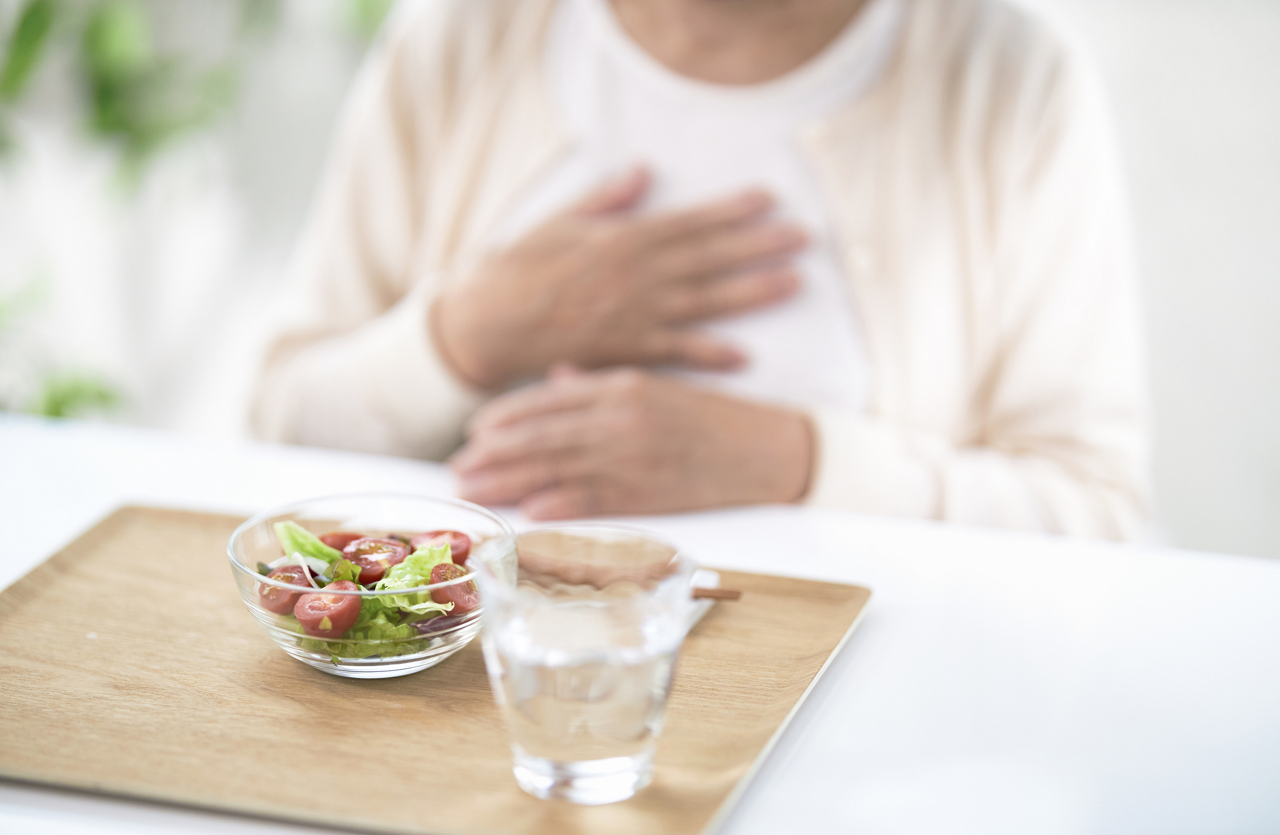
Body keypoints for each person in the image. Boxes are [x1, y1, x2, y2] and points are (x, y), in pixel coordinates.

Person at [251, 0, 1148, 540]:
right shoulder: (464, 31)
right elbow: (278, 426)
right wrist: (464, 336)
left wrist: (795, 462)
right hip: (470, 707)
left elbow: (1097, 515)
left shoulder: (1012, 82)